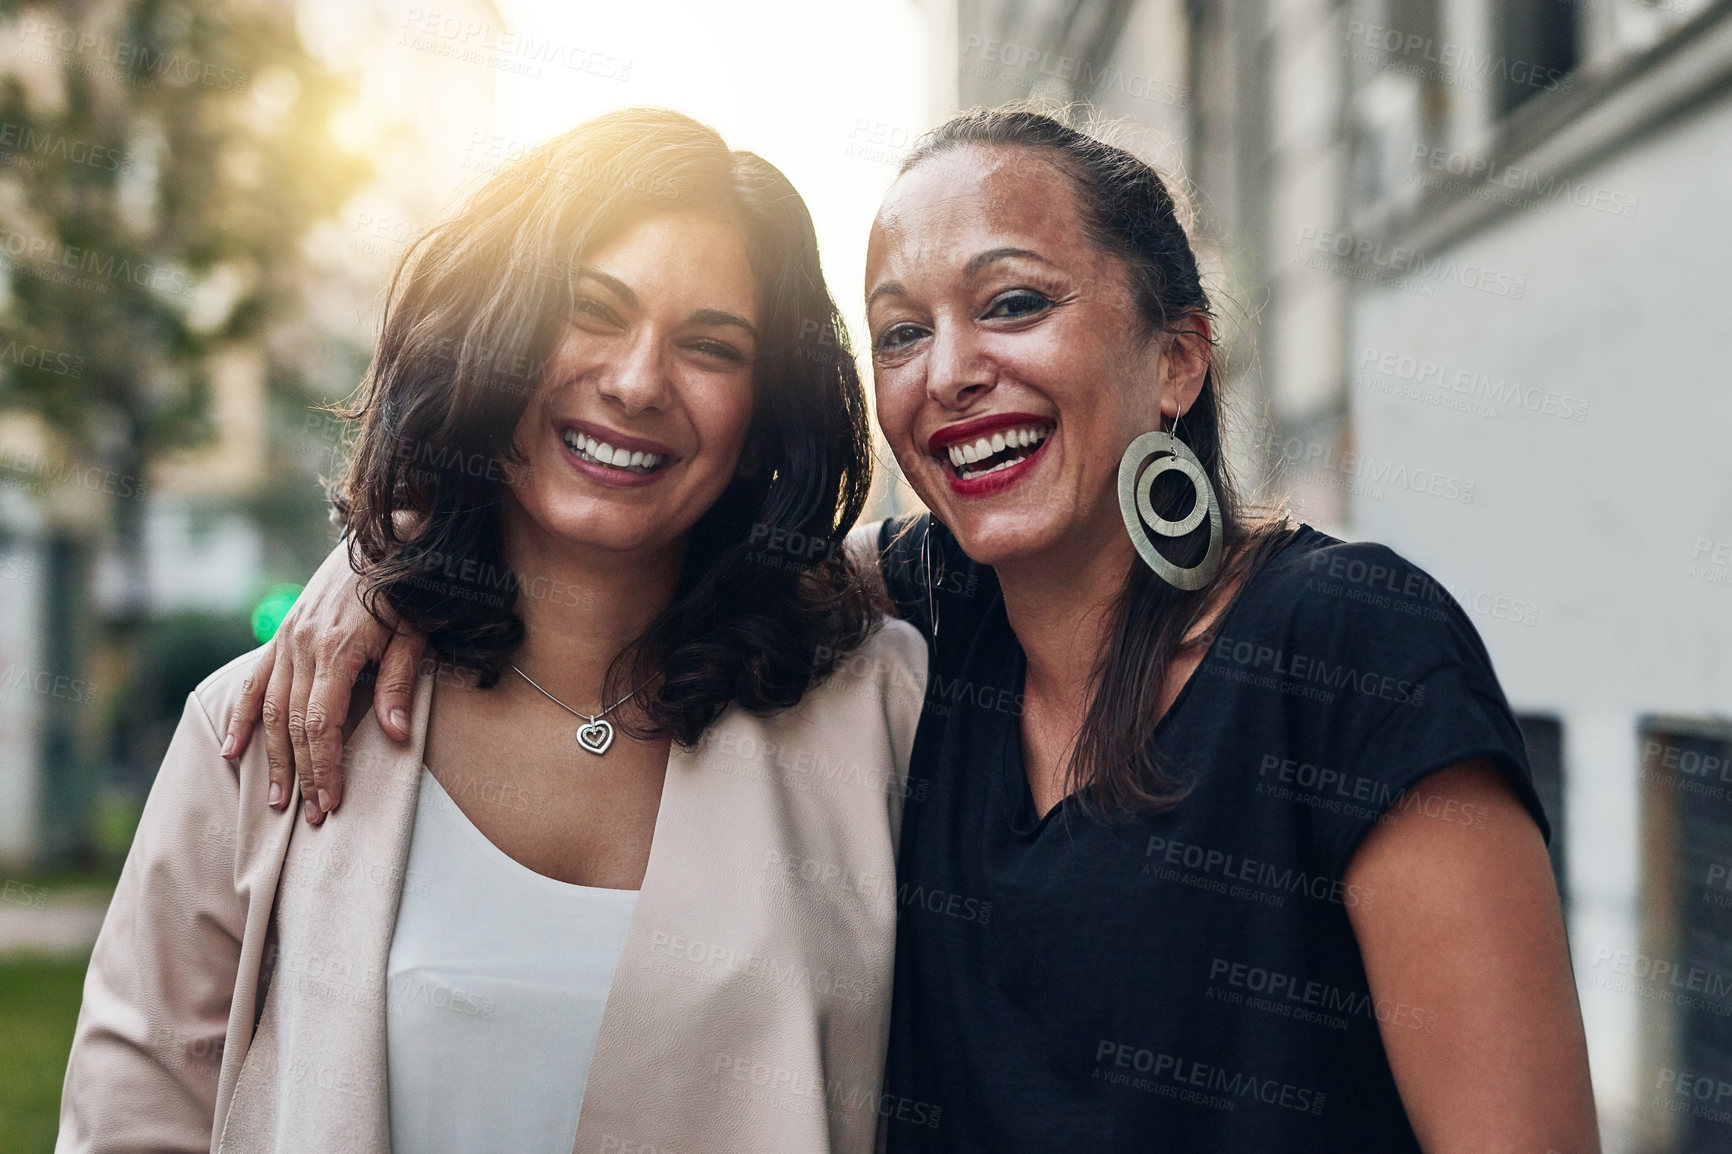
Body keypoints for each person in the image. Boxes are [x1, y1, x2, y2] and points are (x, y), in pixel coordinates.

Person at [230, 107, 1600, 1152]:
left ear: (1176, 358)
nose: (950, 373)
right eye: (900, 332)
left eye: (1014, 302)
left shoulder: (1351, 651)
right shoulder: (917, 630)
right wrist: (390, 562)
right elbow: (650, 554)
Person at [57, 107, 923, 1154]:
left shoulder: (881, 716)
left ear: (760, 420)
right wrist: (378, 556)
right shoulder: (260, 724)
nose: (639, 380)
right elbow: (133, 1118)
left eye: (710, 346)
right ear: (496, 339)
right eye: (590, 310)